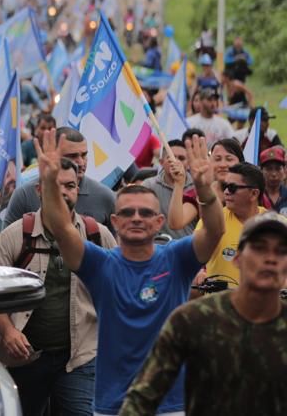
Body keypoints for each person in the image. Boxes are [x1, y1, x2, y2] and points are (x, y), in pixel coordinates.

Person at [37, 130, 225, 416]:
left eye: (145, 213)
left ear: (160, 221)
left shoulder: (177, 259)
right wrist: (50, 183)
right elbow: (62, 229)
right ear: (114, 221)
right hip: (115, 406)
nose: (136, 217)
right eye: (128, 213)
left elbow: (214, 230)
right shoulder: (100, 265)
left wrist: (204, 190)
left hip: (170, 405)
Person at [120, 212, 287, 415]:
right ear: (237, 258)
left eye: (281, 251)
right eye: (259, 248)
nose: (270, 259)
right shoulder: (193, 320)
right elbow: (142, 398)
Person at [0, 158, 117, 416]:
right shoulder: (16, 235)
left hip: (79, 358)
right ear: (39, 190)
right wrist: (8, 332)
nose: (64, 192)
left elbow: (118, 290)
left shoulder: (97, 235)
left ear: (78, 190)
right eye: (55, 185)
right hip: (23, 358)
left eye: (70, 185)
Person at [0, 127, 117, 232]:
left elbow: (117, 251)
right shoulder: (24, 195)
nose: (81, 162)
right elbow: (5, 247)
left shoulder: (105, 197)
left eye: (84, 155)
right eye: (72, 156)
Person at [195, 161, 266, 289]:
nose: (226, 192)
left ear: (254, 194)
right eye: (225, 187)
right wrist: (200, 272)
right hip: (220, 305)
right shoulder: (213, 221)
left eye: (232, 187)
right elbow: (193, 256)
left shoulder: (278, 224)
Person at [168, 136, 244, 231]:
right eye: (217, 159)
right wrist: (179, 184)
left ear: (241, 162)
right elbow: (176, 223)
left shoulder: (250, 191)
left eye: (229, 159)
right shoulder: (200, 192)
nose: (223, 165)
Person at [140, 139, 196, 239]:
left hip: (189, 247)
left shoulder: (196, 187)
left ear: (188, 163)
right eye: (171, 157)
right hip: (158, 247)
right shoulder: (148, 186)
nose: (176, 161)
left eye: (181, 158)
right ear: (161, 162)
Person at [258, 145, 287, 214]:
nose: (274, 174)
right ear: (261, 170)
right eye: (269, 169)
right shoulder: (256, 196)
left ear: (284, 170)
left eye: (278, 169)